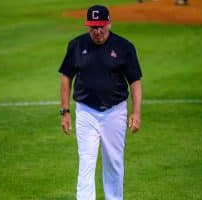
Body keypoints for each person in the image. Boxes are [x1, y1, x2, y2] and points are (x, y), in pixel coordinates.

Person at [59, 4, 142, 200]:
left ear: (109, 23)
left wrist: (136, 112)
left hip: (115, 112)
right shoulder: (77, 45)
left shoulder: (124, 47)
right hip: (86, 112)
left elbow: (135, 82)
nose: (97, 31)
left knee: (113, 162)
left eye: (100, 27)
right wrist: (65, 111)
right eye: (92, 27)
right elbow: (66, 77)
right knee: (86, 162)